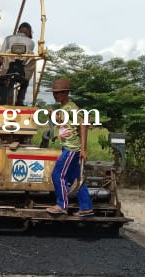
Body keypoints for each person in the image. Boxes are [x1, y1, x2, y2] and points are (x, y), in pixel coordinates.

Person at [45, 78, 93, 217]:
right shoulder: (65, 108)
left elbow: (83, 125)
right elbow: (67, 123)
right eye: (54, 93)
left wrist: (83, 149)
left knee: (57, 175)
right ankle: (86, 207)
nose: (55, 95)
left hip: (72, 148)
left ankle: (62, 205)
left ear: (65, 93)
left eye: (58, 93)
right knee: (76, 178)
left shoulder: (71, 108)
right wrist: (55, 116)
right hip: (68, 147)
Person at [0, 22, 36, 105]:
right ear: (29, 32)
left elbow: (2, 56)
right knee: (25, 82)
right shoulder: (31, 43)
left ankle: (1, 101)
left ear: (19, 30)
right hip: (23, 72)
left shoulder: (8, 38)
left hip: (7, 70)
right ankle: (20, 101)